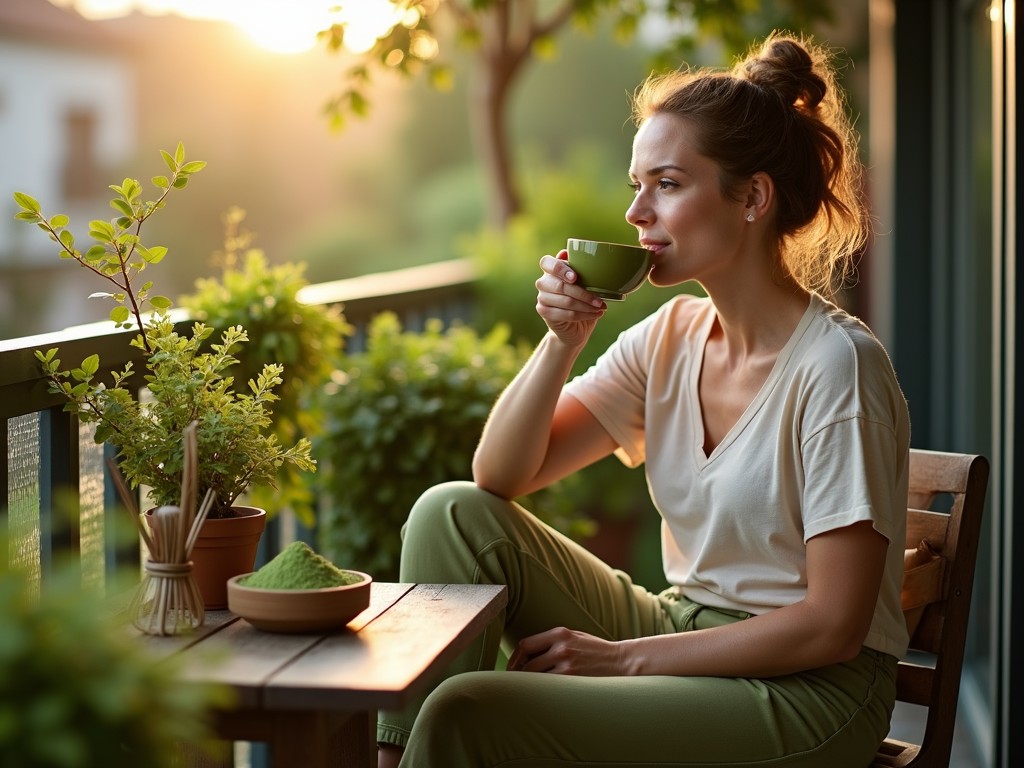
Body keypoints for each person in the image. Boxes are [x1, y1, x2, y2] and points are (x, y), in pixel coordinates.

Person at [377, 31, 911, 768]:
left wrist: (626, 659)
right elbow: (500, 477)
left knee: (471, 712)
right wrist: (562, 339)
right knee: (452, 512)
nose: (635, 212)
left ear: (752, 196)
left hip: (808, 692)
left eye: (666, 184)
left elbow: (831, 628)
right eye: (638, 184)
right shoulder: (672, 335)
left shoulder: (837, 368)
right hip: (685, 625)